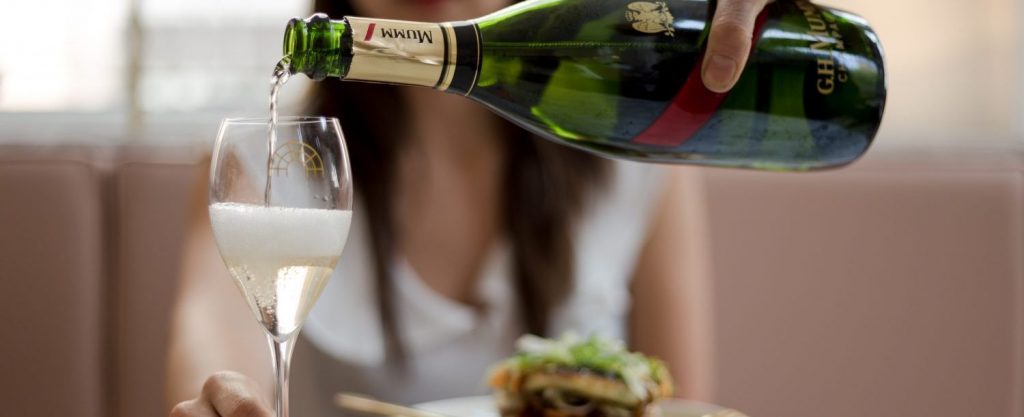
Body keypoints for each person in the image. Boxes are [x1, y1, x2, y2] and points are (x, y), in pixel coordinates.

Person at [166, 0, 771, 416]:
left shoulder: (633, 151)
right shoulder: (263, 161)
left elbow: (682, 403)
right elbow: (212, 351)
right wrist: (222, 399)